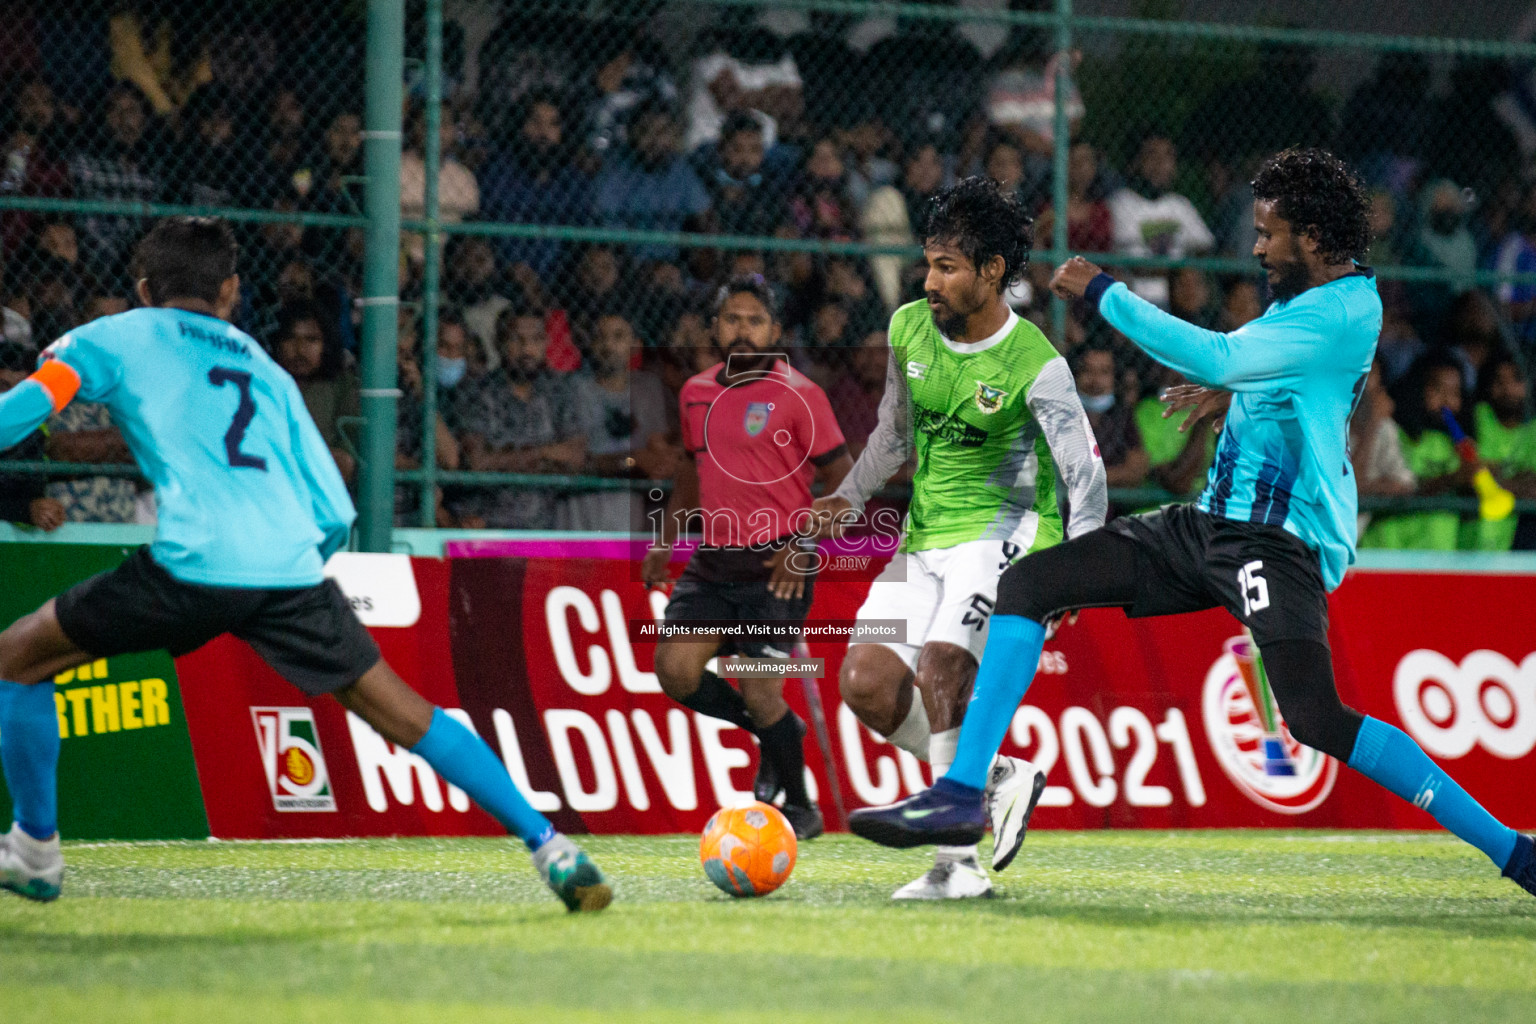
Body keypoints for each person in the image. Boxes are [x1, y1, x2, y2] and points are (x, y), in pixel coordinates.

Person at [846, 148, 1536, 904]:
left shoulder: (1344, 309)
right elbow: (1266, 378)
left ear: (1312, 236)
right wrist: (1230, 396)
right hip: (1208, 524)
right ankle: (961, 790)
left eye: (1271, 232)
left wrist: (1104, 291)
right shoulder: (1309, 294)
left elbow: (1218, 352)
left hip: (1276, 544)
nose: (1258, 245)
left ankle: (1513, 851)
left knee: (1314, 716)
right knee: (1031, 582)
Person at [0, 217, 610, 910]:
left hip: (191, 562)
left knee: (18, 658)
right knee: (407, 713)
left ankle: (36, 852)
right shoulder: (267, 369)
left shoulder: (115, 333)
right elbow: (333, 512)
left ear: (143, 288)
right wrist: (287, 582)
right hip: (289, 573)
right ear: (230, 291)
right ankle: (553, 847)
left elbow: (28, 410)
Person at [811, 177, 1105, 899]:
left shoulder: (1035, 363)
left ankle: (955, 865)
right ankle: (1000, 776)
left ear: (993, 271)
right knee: (866, 684)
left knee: (944, 666)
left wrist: (1082, 568)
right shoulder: (909, 327)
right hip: (923, 539)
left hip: (1004, 535)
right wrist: (847, 500)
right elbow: (892, 433)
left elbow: (1085, 474)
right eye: (928, 265)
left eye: (947, 267)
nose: (930, 281)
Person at [641, 275, 852, 841]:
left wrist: (803, 545)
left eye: (754, 319)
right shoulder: (695, 392)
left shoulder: (802, 395)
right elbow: (691, 468)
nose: (742, 328)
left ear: (776, 331)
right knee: (676, 672)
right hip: (713, 563)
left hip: (776, 568)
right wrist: (666, 539)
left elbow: (845, 481)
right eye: (731, 318)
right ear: (715, 328)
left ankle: (802, 810)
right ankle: (775, 734)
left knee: (762, 688)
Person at [558, 310, 674, 532]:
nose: (608, 345)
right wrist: (631, 460)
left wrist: (662, 459)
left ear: (636, 345)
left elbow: (657, 449)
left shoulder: (648, 389)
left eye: (618, 337)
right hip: (582, 509)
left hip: (629, 508)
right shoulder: (575, 389)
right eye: (601, 337)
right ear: (591, 344)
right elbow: (575, 460)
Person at [1108, 133, 1214, 308]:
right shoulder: (1121, 202)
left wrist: (1180, 271)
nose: (1160, 164)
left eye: (1167, 156)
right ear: (1135, 162)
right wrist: (1178, 269)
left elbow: (1204, 247)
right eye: (1152, 155)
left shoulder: (1180, 204)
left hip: (1180, 300)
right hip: (1139, 297)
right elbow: (1136, 266)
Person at [1071, 343, 1148, 491]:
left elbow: (1136, 471)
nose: (1095, 380)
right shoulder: (1062, 413)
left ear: (1115, 377)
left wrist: (1085, 478)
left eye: (1104, 372)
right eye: (1087, 370)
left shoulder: (1123, 418)